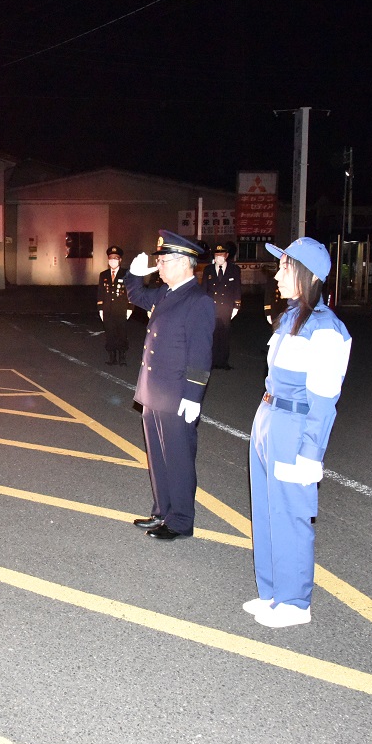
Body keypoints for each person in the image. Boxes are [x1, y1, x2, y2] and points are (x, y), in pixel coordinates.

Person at [245, 237, 351, 628]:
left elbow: (324, 399)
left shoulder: (325, 329)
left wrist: (311, 453)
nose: (277, 274)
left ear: (305, 275)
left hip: (295, 424)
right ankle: (272, 592)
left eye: (284, 267)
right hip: (269, 416)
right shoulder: (289, 318)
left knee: (290, 513)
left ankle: (295, 601)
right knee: (267, 510)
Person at [125, 231, 215, 540]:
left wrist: (193, 395)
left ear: (184, 263)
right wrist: (134, 275)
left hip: (177, 394)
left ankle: (180, 521)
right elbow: (136, 296)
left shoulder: (198, 300)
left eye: (163, 261)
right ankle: (162, 510)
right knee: (158, 457)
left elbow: (201, 352)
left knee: (178, 459)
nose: (159, 267)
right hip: (154, 391)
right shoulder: (166, 293)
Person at [201, 243, 242, 369]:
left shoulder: (234, 269)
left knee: (224, 335)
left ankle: (223, 361)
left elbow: (237, 288)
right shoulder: (208, 269)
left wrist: (237, 305)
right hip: (211, 307)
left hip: (226, 307)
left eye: (221, 254)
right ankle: (212, 361)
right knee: (212, 335)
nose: (219, 256)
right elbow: (204, 288)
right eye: (216, 254)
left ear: (227, 255)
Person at [97, 245, 133, 366]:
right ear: (108, 260)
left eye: (116, 258)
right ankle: (112, 357)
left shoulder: (126, 274)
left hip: (121, 309)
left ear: (120, 260)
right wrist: (101, 309)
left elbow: (130, 292)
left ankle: (122, 356)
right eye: (111, 258)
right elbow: (100, 292)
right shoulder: (104, 275)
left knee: (121, 334)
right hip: (107, 310)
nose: (113, 260)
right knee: (110, 334)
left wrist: (130, 308)